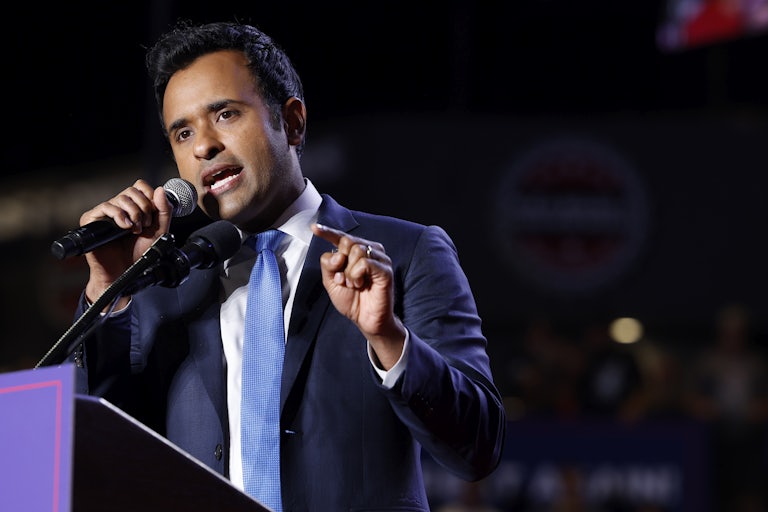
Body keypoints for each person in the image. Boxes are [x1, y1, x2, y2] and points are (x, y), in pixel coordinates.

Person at [66, 20, 506, 511]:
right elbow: (89, 452)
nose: (202, 146)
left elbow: (479, 445)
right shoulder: (167, 283)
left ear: (292, 121)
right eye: (182, 132)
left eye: (226, 114)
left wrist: (387, 337)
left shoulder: (407, 252)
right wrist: (109, 287)